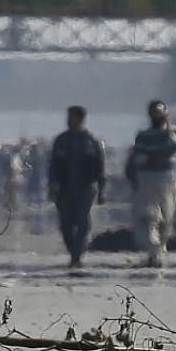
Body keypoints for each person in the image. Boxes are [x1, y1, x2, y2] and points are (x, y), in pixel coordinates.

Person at [48, 106, 106, 268]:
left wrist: (102, 189)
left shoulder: (91, 141)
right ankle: (74, 250)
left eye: (71, 117)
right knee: (65, 224)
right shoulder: (61, 140)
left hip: (86, 188)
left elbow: (100, 167)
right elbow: (53, 165)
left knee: (82, 222)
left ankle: (76, 255)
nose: (68, 120)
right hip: (64, 188)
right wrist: (51, 187)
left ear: (80, 119)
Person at [127, 100, 176, 268]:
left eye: (161, 112)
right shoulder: (143, 135)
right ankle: (153, 251)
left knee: (167, 216)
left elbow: (174, 146)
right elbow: (139, 158)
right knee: (149, 216)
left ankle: (159, 248)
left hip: (167, 177)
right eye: (155, 112)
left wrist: (153, 156)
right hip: (148, 178)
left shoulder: (172, 131)